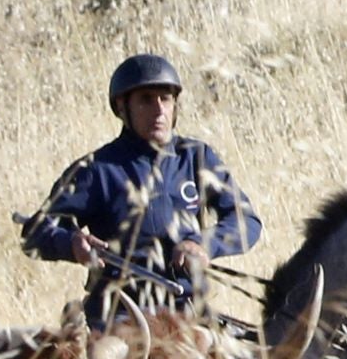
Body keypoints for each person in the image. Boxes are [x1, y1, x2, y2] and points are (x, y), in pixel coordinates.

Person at [21, 54, 262, 330]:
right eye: (146, 99)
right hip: (120, 318)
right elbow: (35, 233)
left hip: (190, 314)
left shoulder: (196, 157)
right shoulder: (97, 169)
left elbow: (247, 222)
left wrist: (205, 243)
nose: (159, 110)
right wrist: (72, 244)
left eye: (166, 99)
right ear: (123, 109)